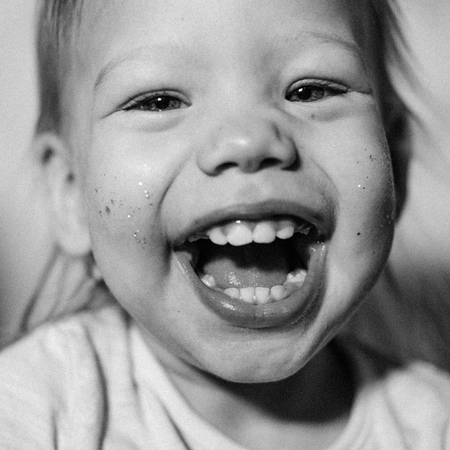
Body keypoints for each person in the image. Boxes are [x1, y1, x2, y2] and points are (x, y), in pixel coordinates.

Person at [1, 0, 449, 448]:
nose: (247, 141)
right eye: (159, 102)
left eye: (310, 91)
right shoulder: (34, 412)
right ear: (72, 192)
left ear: (396, 162)